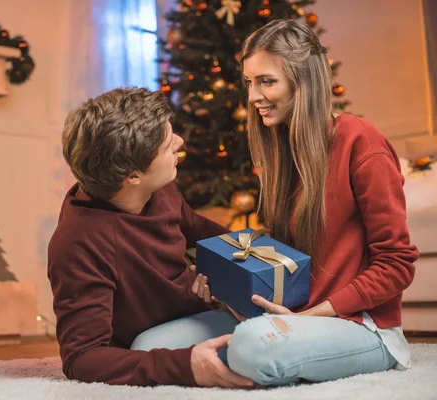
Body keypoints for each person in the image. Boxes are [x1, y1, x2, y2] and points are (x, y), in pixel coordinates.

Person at [131, 19, 419, 387]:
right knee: (148, 347)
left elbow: (397, 265)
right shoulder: (279, 151)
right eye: (250, 82)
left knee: (252, 346)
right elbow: (284, 266)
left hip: (361, 326)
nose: (253, 96)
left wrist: (310, 317)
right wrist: (229, 290)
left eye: (267, 82)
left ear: (304, 82)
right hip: (291, 316)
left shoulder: (360, 141)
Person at [47, 87, 257, 388]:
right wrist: (187, 366)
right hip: (156, 337)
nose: (180, 142)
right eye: (167, 142)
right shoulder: (78, 245)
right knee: (149, 347)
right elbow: (82, 357)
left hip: (202, 310)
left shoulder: (159, 190)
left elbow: (198, 231)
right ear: (132, 175)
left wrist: (252, 265)